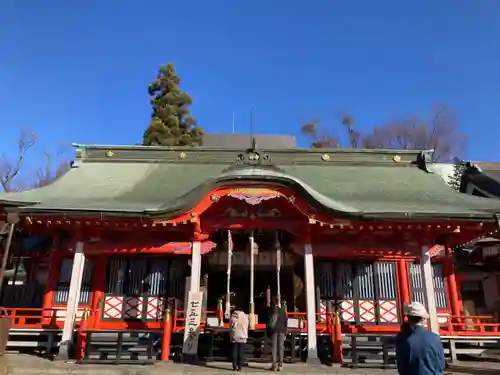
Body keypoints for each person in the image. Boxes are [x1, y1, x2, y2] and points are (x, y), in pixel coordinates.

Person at [395, 302, 446, 375]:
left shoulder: (400, 338)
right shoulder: (434, 338)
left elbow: (400, 365)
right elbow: (441, 365)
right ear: (423, 319)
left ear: (408, 318)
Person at [266, 297, 287, 371]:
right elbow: (285, 322)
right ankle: (280, 365)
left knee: (274, 348)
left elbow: (268, 321)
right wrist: (285, 331)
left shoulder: (271, 310)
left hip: (274, 330)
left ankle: (274, 365)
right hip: (281, 330)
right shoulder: (282, 310)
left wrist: (268, 331)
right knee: (281, 347)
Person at [229, 306, 249, 372]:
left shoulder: (235, 314)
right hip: (243, 335)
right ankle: (240, 367)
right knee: (241, 352)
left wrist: (232, 333)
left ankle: (234, 367)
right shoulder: (245, 316)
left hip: (236, 335)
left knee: (234, 351)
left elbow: (233, 325)